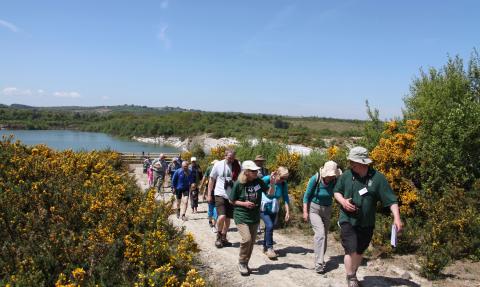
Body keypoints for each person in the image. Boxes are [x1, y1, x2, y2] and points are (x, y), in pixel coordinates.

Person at [334, 146, 403, 287]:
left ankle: (353, 273)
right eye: (350, 161)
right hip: (347, 219)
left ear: (363, 162)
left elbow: (391, 200)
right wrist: (343, 202)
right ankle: (350, 277)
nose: (350, 164)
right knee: (350, 248)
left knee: (359, 251)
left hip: (367, 222)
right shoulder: (347, 175)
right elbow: (336, 192)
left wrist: (397, 218)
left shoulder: (378, 179)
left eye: (353, 161)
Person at [229, 160, 275, 276]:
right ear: (246, 172)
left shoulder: (258, 182)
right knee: (247, 239)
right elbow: (231, 200)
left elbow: (269, 194)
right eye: (253, 171)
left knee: (252, 242)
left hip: (254, 216)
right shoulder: (239, 184)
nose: (256, 172)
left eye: (256, 171)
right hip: (241, 215)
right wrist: (244, 204)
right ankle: (242, 262)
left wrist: (273, 183)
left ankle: (245, 262)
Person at [303, 161, 342, 274]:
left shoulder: (335, 180)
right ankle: (319, 263)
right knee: (320, 234)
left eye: (333, 175)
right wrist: (305, 212)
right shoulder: (315, 179)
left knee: (324, 235)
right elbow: (306, 196)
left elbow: (340, 192)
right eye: (330, 175)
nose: (331, 177)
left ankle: (320, 258)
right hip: (314, 209)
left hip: (327, 209)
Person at [207, 149, 241, 248]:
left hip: (231, 195)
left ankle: (224, 238)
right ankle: (218, 236)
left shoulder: (237, 165)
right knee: (221, 216)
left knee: (228, 218)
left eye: (233, 158)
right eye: (229, 158)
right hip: (219, 193)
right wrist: (209, 194)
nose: (231, 160)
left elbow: (242, 178)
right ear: (225, 156)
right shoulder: (218, 165)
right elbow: (211, 179)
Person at [260, 166, 290, 259]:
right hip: (263, 207)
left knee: (269, 228)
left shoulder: (283, 184)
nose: (283, 180)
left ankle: (265, 247)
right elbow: (257, 188)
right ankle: (270, 248)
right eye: (282, 178)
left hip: (273, 208)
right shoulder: (266, 179)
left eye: (285, 179)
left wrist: (287, 212)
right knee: (269, 226)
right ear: (277, 174)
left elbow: (285, 198)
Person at [201, 159, 219, 230]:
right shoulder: (219, 169)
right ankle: (213, 223)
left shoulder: (209, 168)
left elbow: (204, 177)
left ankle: (211, 222)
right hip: (217, 191)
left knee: (211, 207)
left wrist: (201, 186)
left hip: (211, 190)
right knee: (215, 207)